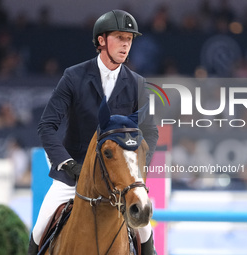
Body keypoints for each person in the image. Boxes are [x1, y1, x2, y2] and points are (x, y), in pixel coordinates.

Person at [28, 10, 159, 255]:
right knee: (39, 229)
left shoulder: (137, 84)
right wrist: (67, 164)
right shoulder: (73, 77)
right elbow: (46, 126)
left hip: (121, 179)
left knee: (145, 231)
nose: (125, 44)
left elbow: (150, 132)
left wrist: (136, 170)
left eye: (129, 39)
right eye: (119, 37)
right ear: (101, 40)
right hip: (76, 176)